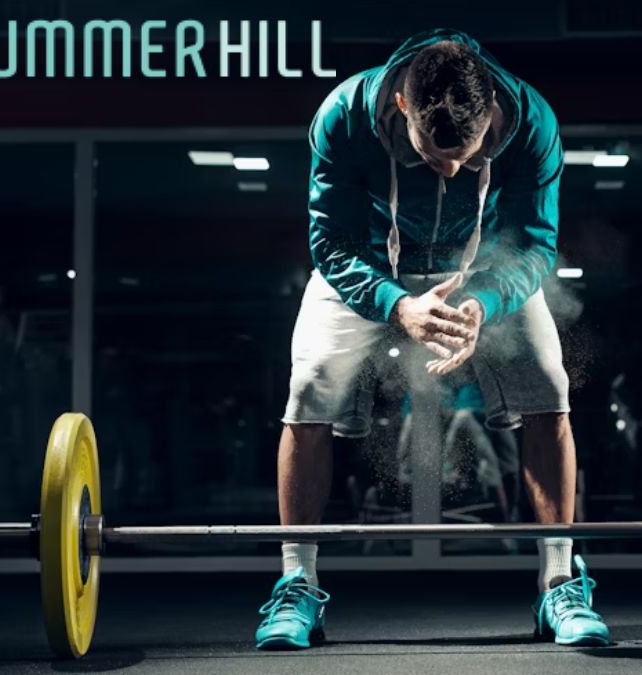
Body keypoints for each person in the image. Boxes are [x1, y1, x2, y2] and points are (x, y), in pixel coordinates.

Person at [255, 29, 610, 650]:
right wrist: (395, 306)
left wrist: (484, 302)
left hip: (482, 271)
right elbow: (331, 242)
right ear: (402, 107)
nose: (451, 168)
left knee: (549, 384)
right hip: (368, 267)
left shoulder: (531, 122)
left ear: (491, 114)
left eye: (468, 154)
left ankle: (560, 582)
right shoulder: (342, 116)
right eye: (432, 153)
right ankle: (296, 586)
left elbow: (532, 243)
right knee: (308, 384)